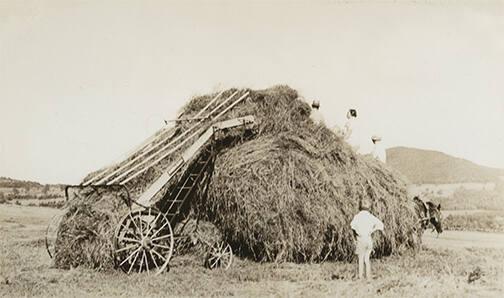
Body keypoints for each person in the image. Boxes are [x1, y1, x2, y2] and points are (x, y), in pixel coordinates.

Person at [350, 198, 384, 280]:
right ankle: (368, 277)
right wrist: (372, 230)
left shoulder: (357, 216)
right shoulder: (371, 217)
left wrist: (356, 233)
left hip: (361, 238)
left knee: (360, 258)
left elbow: (352, 226)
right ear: (369, 207)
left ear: (360, 207)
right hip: (368, 239)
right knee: (367, 259)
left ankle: (360, 276)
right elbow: (381, 225)